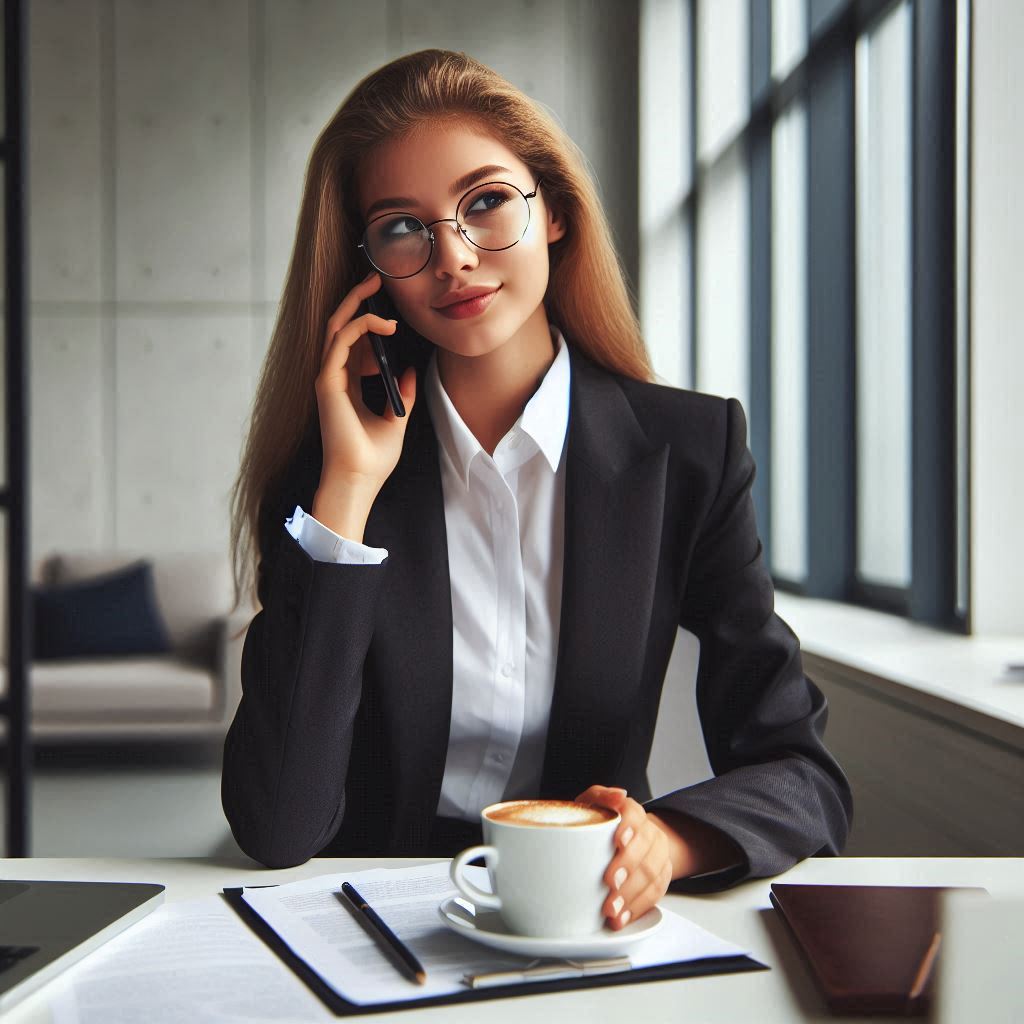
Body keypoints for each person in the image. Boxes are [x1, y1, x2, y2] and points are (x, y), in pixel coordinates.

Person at [222, 49, 852, 932]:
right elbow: (279, 826)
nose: (455, 258)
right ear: (369, 269)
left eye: (485, 203)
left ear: (553, 211)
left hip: (581, 917)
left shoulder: (689, 453)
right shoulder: (330, 474)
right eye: (405, 228)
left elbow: (804, 776)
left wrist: (661, 847)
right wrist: (350, 489)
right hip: (365, 925)